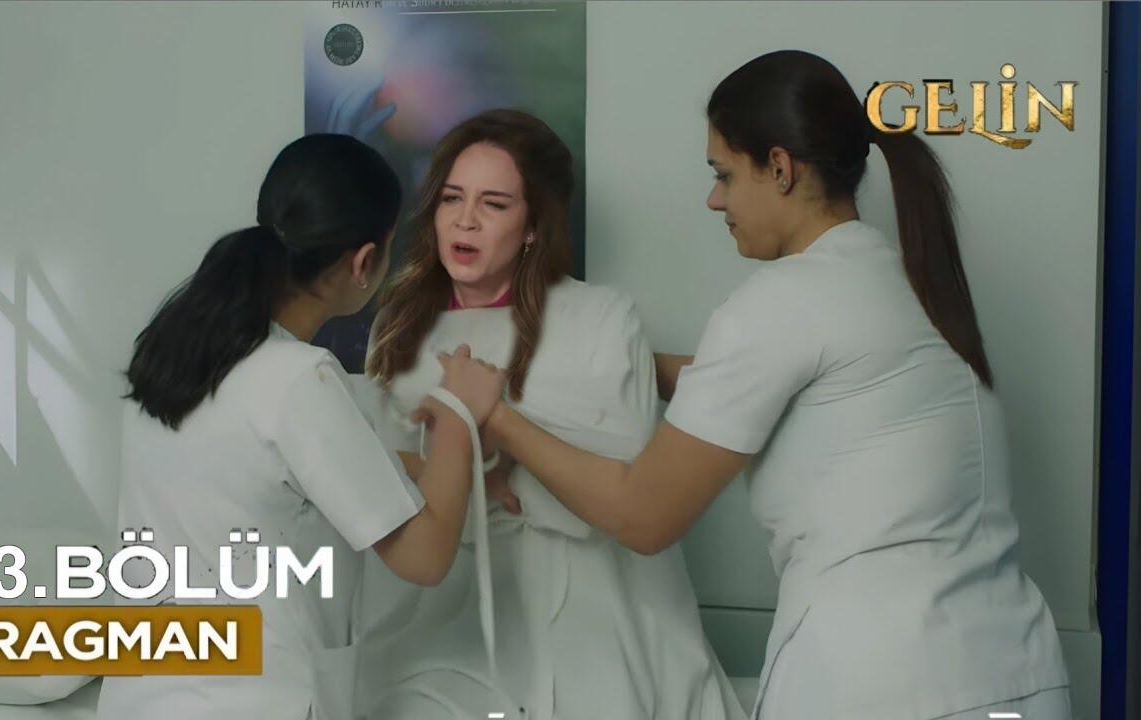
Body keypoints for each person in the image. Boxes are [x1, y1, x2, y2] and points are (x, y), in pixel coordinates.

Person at [476, 52, 1072, 720]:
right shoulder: (906, 279)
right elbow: (781, 390)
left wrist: (497, 416)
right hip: (1015, 671)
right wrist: (616, 361)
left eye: (724, 174)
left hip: (883, 683)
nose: (715, 199)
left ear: (781, 168)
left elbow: (644, 515)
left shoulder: (783, 300)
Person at [96, 134, 504, 720]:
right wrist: (461, 413)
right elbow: (424, 558)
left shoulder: (173, 353)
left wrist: (448, 469)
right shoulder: (299, 378)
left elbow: (275, 475)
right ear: (364, 262)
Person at [358, 109, 747, 720]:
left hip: (595, 601)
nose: (464, 220)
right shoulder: (398, 325)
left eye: (493, 204)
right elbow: (376, 475)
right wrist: (471, 473)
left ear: (534, 225)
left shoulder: (602, 316)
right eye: (452, 198)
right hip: (448, 601)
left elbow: (630, 477)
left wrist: (494, 453)